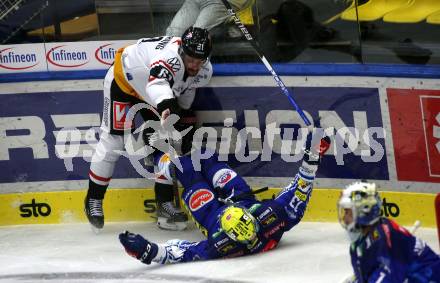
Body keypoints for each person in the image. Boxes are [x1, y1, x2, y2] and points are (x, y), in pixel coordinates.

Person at [118, 130, 331, 264]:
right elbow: (299, 192)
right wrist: (312, 158)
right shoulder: (271, 218)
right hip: (242, 200)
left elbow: (182, 252)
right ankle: (179, 154)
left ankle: (156, 155)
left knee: (186, 169)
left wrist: (147, 252)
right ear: (252, 220)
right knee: (206, 156)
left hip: (210, 215)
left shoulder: (220, 244)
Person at [84, 26, 213, 232]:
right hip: (123, 81)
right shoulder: (170, 58)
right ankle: (94, 199)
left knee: (168, 141)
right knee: (113, 140)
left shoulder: (204, 70)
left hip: (151, 91)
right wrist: (169, 107)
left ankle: (164, 204)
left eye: (199, 61)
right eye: (190, 59)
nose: (194, 65)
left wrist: (183, 115)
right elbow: (157, 84)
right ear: (181, 51)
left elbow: (187, 90)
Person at [338, 182, 440, 283]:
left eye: (348, 212)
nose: (344, 218)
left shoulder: (386, 241)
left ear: (363, 213)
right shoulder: (363, 240)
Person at [165, 0, 252, 38]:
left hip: (222, 2)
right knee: (173, 34)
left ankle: (197, 71)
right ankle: (168, 67)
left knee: (196, 36)